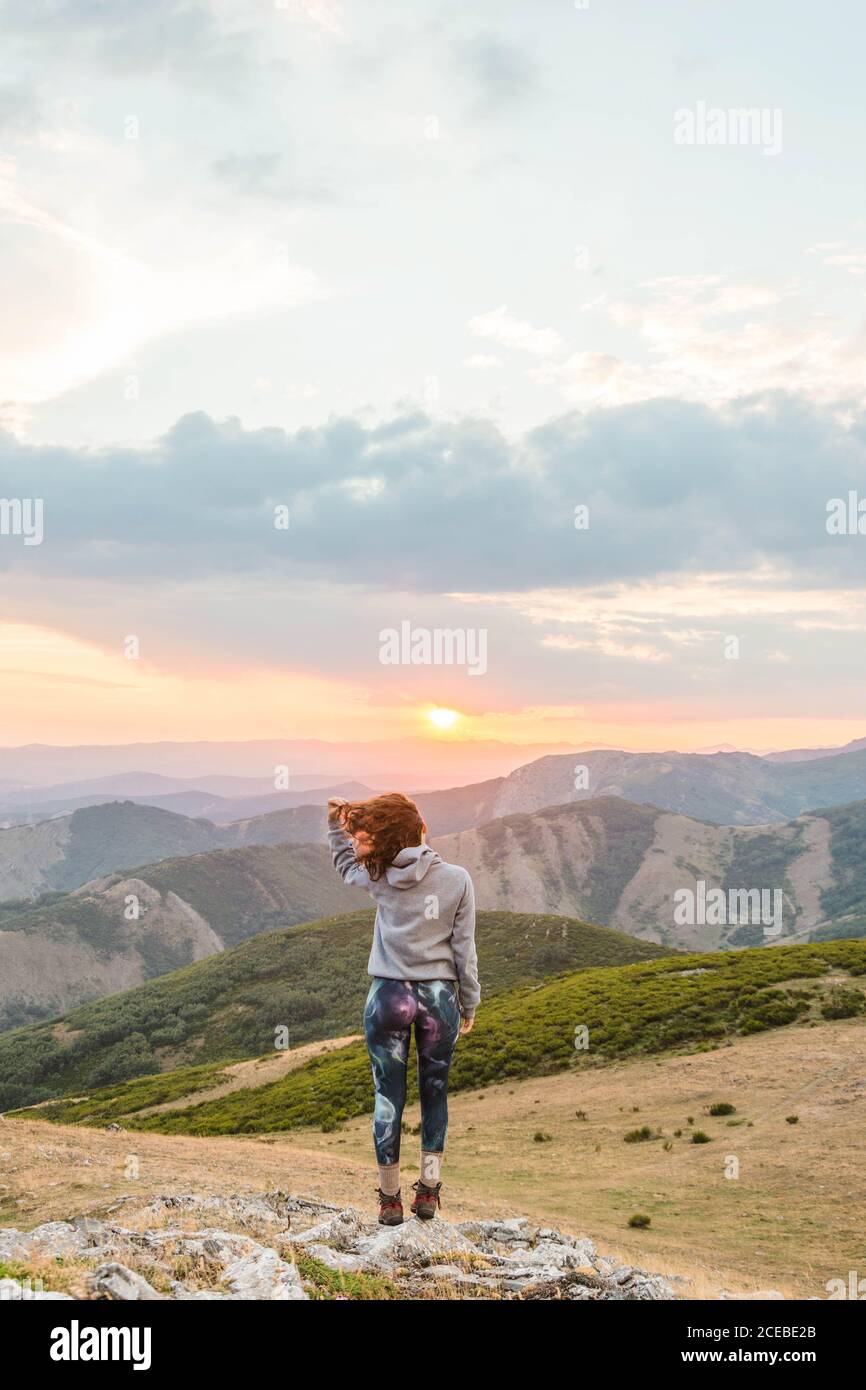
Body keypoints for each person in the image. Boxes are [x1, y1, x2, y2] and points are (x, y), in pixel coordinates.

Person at [327, 791, 480, 1226]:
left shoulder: (378, 876)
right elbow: (463, 948)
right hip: (438, 1000)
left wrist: (333, 826)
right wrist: (469, 1000)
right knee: (435, 1092)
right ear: (420, 831)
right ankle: (428, 1192)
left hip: (388, 997)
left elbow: (343, 863)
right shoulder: (457, 879)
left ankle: (390, 1199)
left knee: (387, 1097)